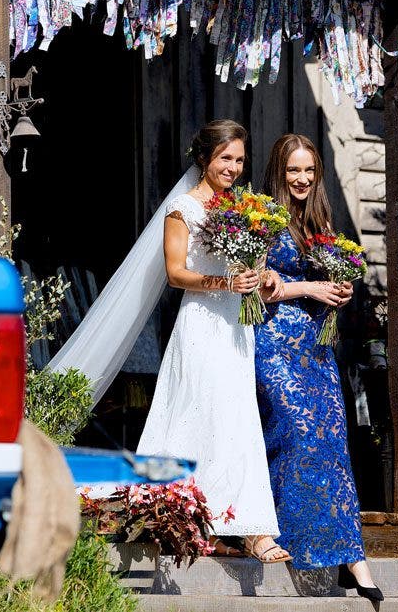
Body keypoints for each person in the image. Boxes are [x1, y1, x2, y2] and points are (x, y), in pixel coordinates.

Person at [136, 120, 290, 563]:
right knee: (200, 413)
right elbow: (175, 272)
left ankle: (247, 526)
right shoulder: (183, 208)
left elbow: (252, 266)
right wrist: (224, 281)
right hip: (202, 321)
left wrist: (264, 273)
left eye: (240, 160)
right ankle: (184, 518)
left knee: (238, 418)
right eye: (226, 158)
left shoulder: (246, 209)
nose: (234, 168)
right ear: (204, 157)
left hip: (237, 326)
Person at [256, 134, 384, 600]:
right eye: (294, 170)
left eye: (309, 170)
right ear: (279, 171)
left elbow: (327, 278)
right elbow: (259, 287)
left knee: (332, 440)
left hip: (316, 347)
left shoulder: (320, 218)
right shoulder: (262, 217)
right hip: (273, 343)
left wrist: (340, 288)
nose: (302, 178)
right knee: (295, 436)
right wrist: (308, 288)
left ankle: (353, 558)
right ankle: (293, 542)